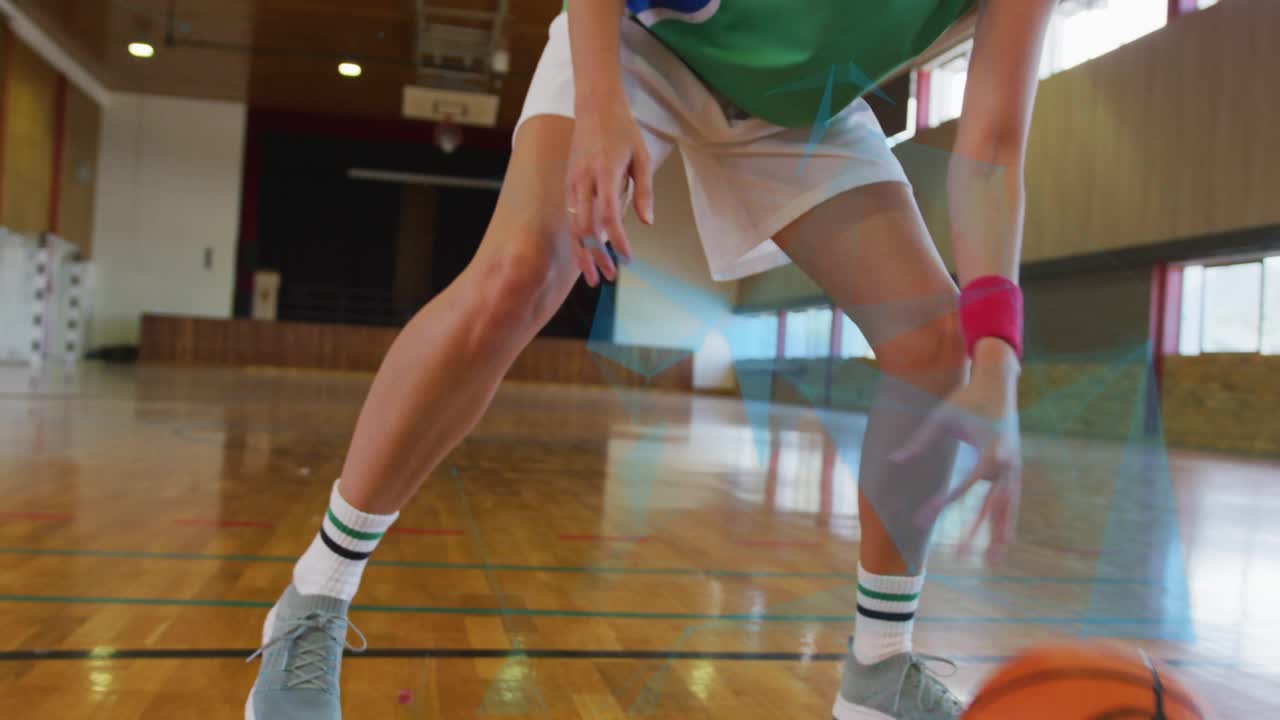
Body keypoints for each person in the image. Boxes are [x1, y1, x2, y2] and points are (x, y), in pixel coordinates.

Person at [245, 1, 1056, 718]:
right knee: (518, 274)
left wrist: (999, 365)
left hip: (802, 108)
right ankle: (313, 598)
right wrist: (600, 106)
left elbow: (990, 148)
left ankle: (879, 671)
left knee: (936, 342)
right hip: (646, 42)